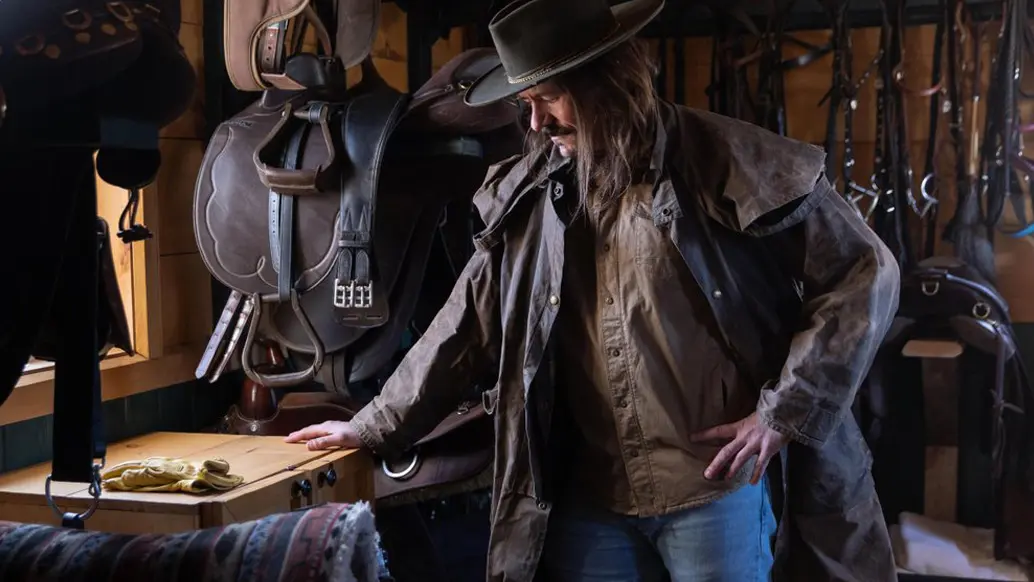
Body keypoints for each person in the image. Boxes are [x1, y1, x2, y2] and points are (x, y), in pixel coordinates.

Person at [285, 0, 901, 580]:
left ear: (607, 83)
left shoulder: (725, 158)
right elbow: (467, 323)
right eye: (526, 102)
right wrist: (371, 426)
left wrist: (784, 412)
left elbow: (863, 271)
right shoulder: (530, 193)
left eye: (548, 98)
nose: (534, 122)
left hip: (712, 489)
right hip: (589, 495)